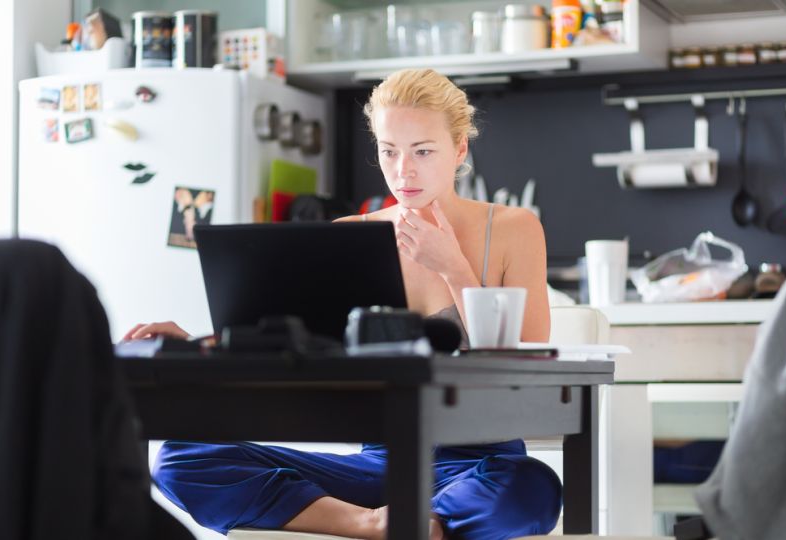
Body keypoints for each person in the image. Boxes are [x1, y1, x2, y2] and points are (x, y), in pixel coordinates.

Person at [124, 68, 558, 540]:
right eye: (389, 151)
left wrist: (453, 266)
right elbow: (297, 342)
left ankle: (420, 518)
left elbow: (529, 363)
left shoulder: (514, 228)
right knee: (182, 456)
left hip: (483, 463)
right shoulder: (353, 233)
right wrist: (191, 343)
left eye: (423, 152)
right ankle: (373, 523)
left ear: (459, 149)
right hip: (378, 465)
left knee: (533, 485)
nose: (403, 170)